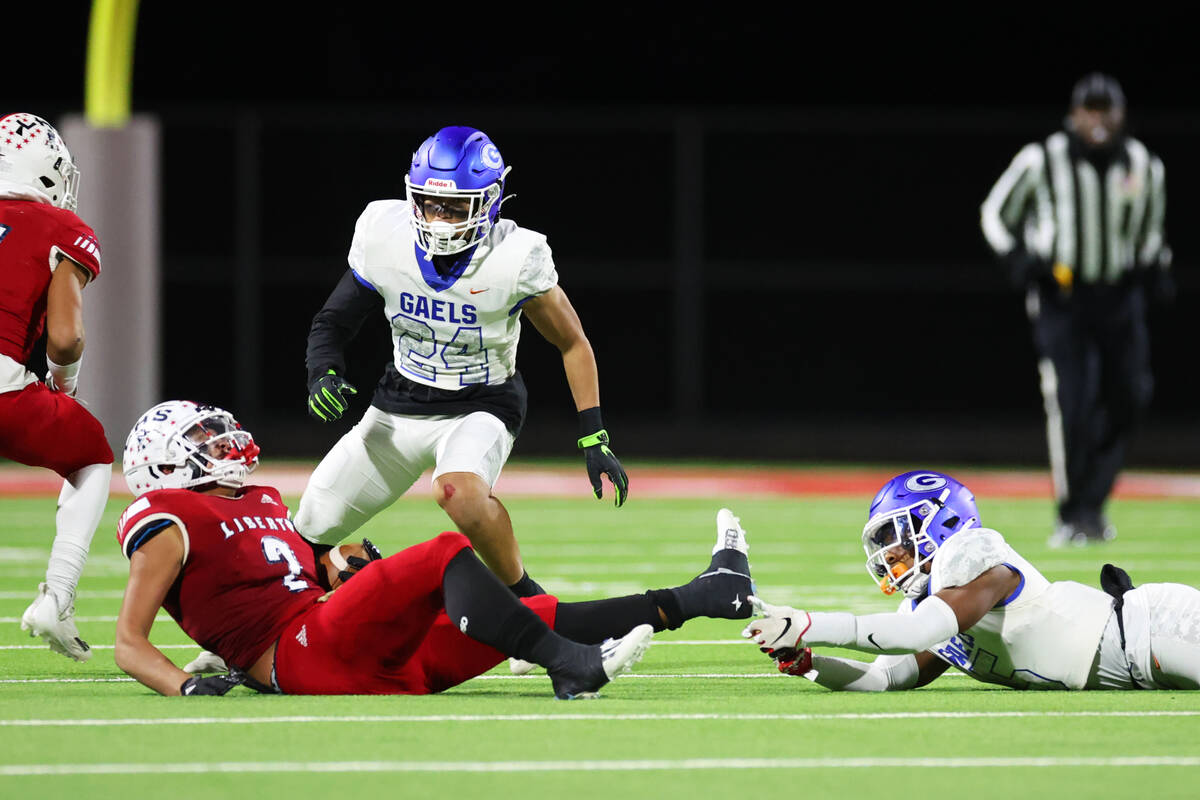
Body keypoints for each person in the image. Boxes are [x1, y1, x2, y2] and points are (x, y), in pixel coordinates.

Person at [114, 400, 754, 697]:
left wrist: (347, 572)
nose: (226, 448)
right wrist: (182, 685)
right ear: (165, 466)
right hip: (301, 656)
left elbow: (291, 577)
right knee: (446, 549)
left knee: (534, 614)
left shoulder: (260, 501)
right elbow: (129, 643)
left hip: (353, 651)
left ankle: (708, 593)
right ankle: (571, 665)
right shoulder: (166, 516)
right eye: (206, 442)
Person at [297, 125, 628, 596]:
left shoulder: (515, 257)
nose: (439, 219)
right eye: (431, 204)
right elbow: (333, 321)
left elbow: (572, 342)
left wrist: (594, 434)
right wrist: (322, 373)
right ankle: (263, 641)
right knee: (304, 534)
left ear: (490, 202)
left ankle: (528, 601)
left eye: (455, 207)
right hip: (398, 406)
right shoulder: (384, 235)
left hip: (482, 403)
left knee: (458, 492)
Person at [742, 470, 1200, 692]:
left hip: (1153, 629)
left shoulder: (972, 554)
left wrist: (805, 620)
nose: (890, 554)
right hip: (1136, 663)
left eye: (894, 536)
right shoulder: (933, 601)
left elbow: (920, 633)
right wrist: (809, 662)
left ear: (938, 521)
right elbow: (886, 678)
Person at [979, 73, 1171, 547]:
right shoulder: (1043, 158)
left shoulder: (1144, 164)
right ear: (1075, 114)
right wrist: (1023, 261)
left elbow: (1149, 229)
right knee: (1072, 403)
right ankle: (1073, 515)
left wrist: (1153, 268)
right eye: (1091, 109)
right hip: (1063, 298)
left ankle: (1093, 501)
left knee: (1130, 398)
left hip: (1119, 298)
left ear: (1120, 114)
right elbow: (995, 212)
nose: (1099, 119)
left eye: (1107, 109)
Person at [0, 112, 113, 662]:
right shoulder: (60, 228)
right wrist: (64, 394)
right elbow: (65, 341)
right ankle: (58, 596)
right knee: (91, 455)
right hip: (6, 393)